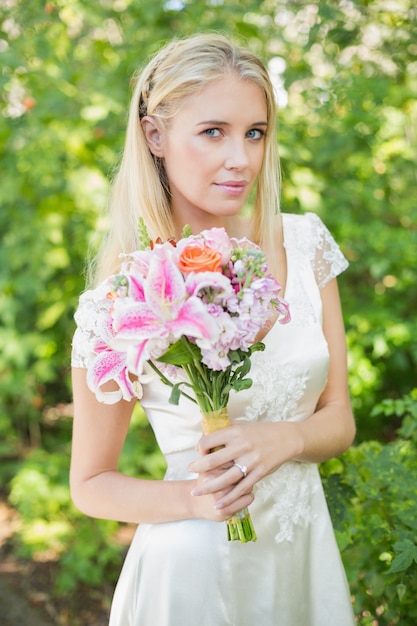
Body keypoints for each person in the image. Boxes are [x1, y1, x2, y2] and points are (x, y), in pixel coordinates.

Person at [70, 33, 356, 625]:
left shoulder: (303, 245)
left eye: (254, 133)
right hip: (194, 572)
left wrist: (288, 439)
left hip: (302, 557)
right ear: (155, 136)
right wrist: (189, 500)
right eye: (213, 132)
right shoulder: (120, 302)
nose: (241, 159)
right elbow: (90, 483)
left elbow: (340, 420)